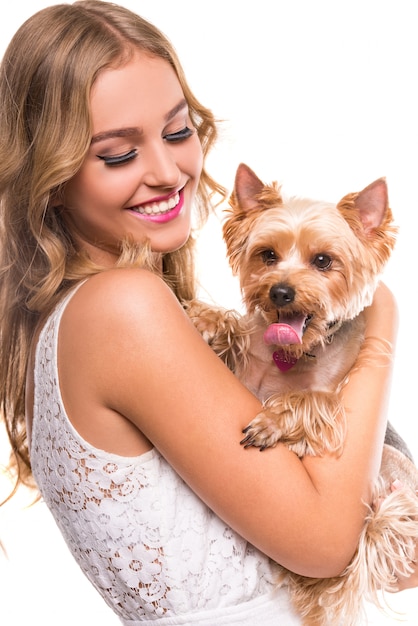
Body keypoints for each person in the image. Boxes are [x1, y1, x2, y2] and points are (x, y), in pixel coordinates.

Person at [0, 2, 416, 624]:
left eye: (177, 131)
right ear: (50, 177)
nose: (169, 173)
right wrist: (381, 322)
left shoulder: (86, 317)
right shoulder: (122, 307)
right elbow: (327, 542)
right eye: (118, 154)